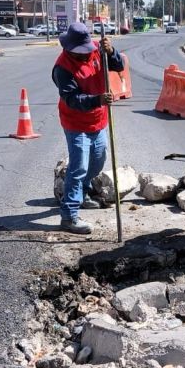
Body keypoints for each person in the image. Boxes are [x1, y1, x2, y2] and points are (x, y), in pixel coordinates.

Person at [52, 22, 124, 234]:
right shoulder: (62, 68)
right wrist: (98, 99)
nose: (86, 56)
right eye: (81, 54)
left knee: (97, 162)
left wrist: (111, 52)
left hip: (99, 119)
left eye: (88, 52)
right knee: (79, 167)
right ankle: (69, 216)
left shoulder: (95, 50)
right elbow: (72, 99)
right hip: (76, 123)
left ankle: (81, 194)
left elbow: (118, 66)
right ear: (69, 49)